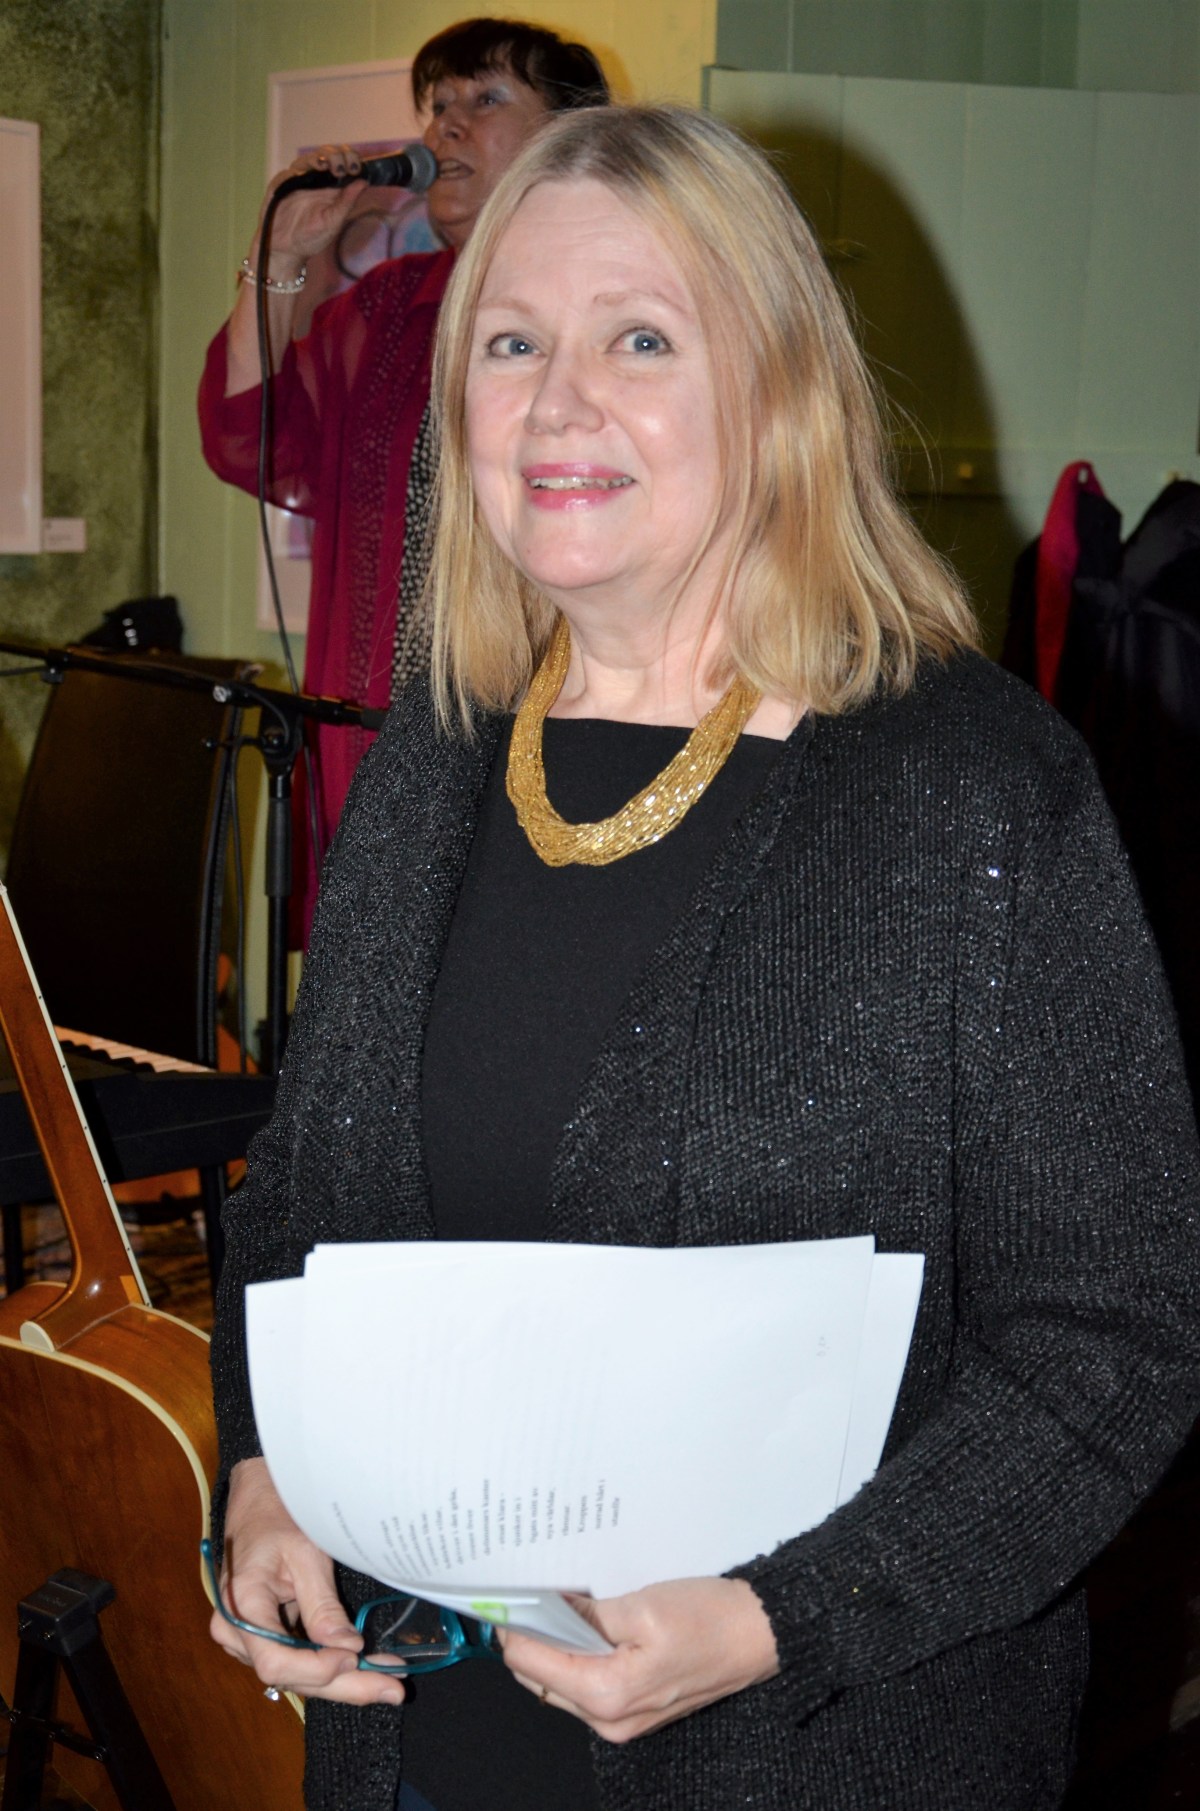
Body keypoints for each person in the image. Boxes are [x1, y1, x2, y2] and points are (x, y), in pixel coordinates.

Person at [207, 105, 1200, 1811]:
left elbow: (1116, 1339)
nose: (557, 402)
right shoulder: (438, 757)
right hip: (415, 1747)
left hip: (825, 1753)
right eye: (512, 343)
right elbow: (301, 1200)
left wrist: (781, 1618)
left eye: (642, 340)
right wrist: (266, 1472)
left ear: (781, 391)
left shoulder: (972, 786)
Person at [198, 18, 608, 941]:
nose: (446, 126)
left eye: (486, 99)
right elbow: (247, 439)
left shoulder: (611, 306)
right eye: (438, 105)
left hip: (544, 739)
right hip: (379, 737)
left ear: (568, 135)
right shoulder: (388, 310)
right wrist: (281, 258)